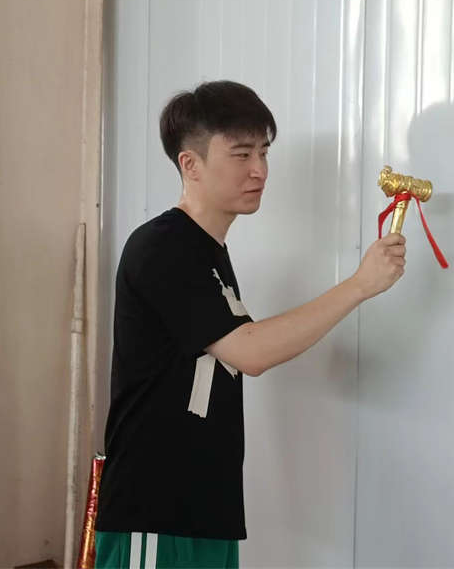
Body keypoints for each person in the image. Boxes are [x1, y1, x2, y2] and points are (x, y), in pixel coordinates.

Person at [94, 81, 406, 568]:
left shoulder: (208, 251)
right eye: (241, 154)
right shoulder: (163, 246)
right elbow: (251, 351)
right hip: (155, 509)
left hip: (205, 510)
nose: (259, 169)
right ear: (190, 164)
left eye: (263, 152)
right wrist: (359, 286)